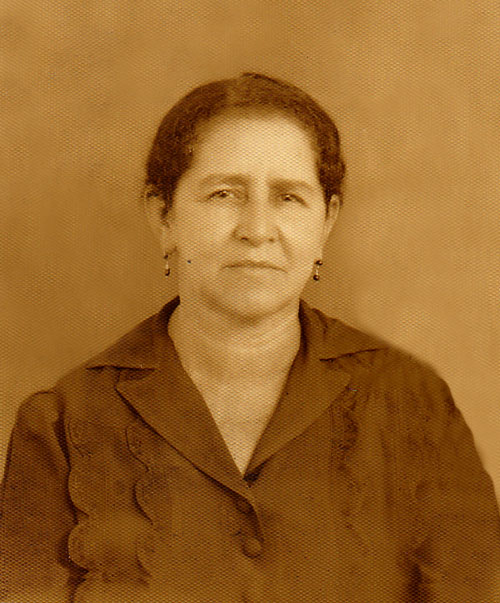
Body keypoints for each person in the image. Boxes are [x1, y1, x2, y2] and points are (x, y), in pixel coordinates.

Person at [1, 73, 499, 603]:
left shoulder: (413, 406)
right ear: (163, 216)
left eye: (289, 197)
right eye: (224, 194)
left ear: (326, 222)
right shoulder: (61, 426)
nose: (257, 229)